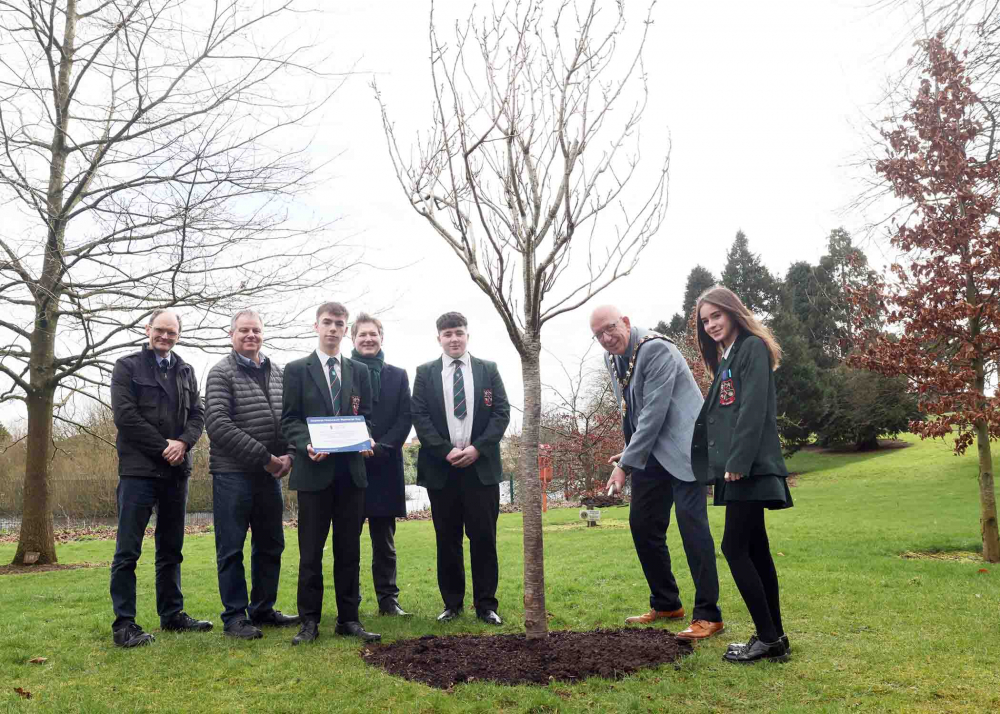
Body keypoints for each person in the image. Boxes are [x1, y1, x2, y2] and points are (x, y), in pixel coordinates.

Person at [591, 304, 724, 641]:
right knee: (643, 524)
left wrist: (624, 466)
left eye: (610, 328)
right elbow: (630, 411)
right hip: (651, 452)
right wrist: (630, 450)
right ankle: (666, 603)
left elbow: (654, 412)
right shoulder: (613, 358)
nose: (607, 338)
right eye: (598, 335)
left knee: (692, 526)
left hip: (685, 449)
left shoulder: (657, 349)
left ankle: (709, 615)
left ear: (626, 322)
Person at [691, 286, 792, 664]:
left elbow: (752, 410)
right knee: (757, 551)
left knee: (734, 548)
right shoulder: (730, 355)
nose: (712, 324)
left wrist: (737, 461)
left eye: (716, 315)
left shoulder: (750, 347)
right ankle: (775, 637)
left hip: (746, 469)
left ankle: (767, 638)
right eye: (706, 320)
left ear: (733, 312)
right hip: (741, 469)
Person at [109, 309, 212, 648]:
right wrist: (163, 446)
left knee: (171, 549)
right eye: (160, 330)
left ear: (178, 334)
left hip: (176, 472)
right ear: (148, 329)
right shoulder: (127, 367)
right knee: (128, 551)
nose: (165, 337)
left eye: (172, 332)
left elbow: (198, 414)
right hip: (139, 471)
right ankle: (124, 624)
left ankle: (172, 615)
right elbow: (126, 416)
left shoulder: (186, 370)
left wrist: (183, 443)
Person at [281, 302, 380, 644]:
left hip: (351, 474)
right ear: (316, 326)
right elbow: (289, 419)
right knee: (310, 552)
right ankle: (308, 622)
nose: (333, 329)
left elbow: (366, 415)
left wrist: (367, 437)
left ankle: (348, 619)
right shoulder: (296, 370)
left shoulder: (359, 372)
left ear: (345, 328)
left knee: (349, 550)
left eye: (339, 323)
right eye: (328, 322)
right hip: (314, 472)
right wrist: (306, 444)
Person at [204, 310, 299, 639]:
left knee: (271, 544)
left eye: (256, 330)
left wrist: (290, 454)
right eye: (243, 330)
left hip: (269, 477)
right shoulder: (220, 373)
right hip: (233, 475)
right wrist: (265, 458)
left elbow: (290, 417)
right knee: (231, 548)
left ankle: (263, 609)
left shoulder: (279, 372)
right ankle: (234, 617)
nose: (250, 335)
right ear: (231, 335)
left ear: (263, 333)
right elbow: (217, 424)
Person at [411, 312, 510, 625]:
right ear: (438, 338)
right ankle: (452, 605)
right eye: (447, 334)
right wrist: (447, 451)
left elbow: (501, 413)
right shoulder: (425, 373)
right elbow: (420, 417)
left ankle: (486, 606)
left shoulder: (488, 370)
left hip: (480, 469)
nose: (454, 338)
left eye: (459, 333)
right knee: (447, 540)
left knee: (484, 538)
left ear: (468, 335)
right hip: (443, 471)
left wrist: (476, 449)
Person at [350, 313, 413, 617]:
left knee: (384, 542)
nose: (368, 339)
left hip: (385, 466)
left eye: (373, 334)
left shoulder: (398, 375)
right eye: (362, 334)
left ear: (381, 337)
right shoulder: (343, 372)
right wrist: (358, 444)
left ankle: (388, 600)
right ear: (353, 339)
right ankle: (351, 601)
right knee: (348, 540)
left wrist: (381, 446)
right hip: (349, 465)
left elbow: (405, 417)